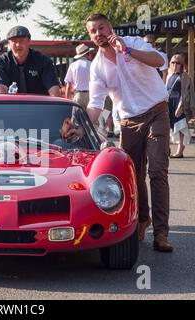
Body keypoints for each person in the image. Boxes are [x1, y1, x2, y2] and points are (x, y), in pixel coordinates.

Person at [84, 13, 173, 252]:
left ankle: (162, 233)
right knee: (132, 175)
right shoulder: (97, 67)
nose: (98, 34)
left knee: (157, 170)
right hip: (128, 121)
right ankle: (143, 219)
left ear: (110, 27)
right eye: (93, 31)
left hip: (156, 111)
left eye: (101, 28)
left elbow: (160, 61)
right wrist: (79, 122)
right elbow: (96, 104)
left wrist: (129, 51)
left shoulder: (133, 43)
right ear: (90, 37)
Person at [0, 26, 60, 96]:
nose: (18, 45)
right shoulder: (1, 62)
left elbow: (53, 88)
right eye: (14, 41)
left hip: (39, 104)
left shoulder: (43, 61)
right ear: (9, 44)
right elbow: (1, 89)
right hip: (11, 105)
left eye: (21, 41)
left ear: (29, 41)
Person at [166, 54, 194, 158]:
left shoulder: (184, 76)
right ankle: (166, 149)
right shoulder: (169, 75)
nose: (175, 64)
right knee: (169, 128)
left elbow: (184, 93)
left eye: (177, 63)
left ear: (181, 64)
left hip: (179, 104)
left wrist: (180, 107)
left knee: (181, 128)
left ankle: (179, 151)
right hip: (169, 104)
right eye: (173, 62)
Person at [64, 44, 94, 108]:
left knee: (78, 117)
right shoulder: (93, 65)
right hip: (91, 95)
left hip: (78, 95)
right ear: (87, 54)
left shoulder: (73, 65)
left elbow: (68, 85)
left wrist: (67, 99)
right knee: (93, 117)